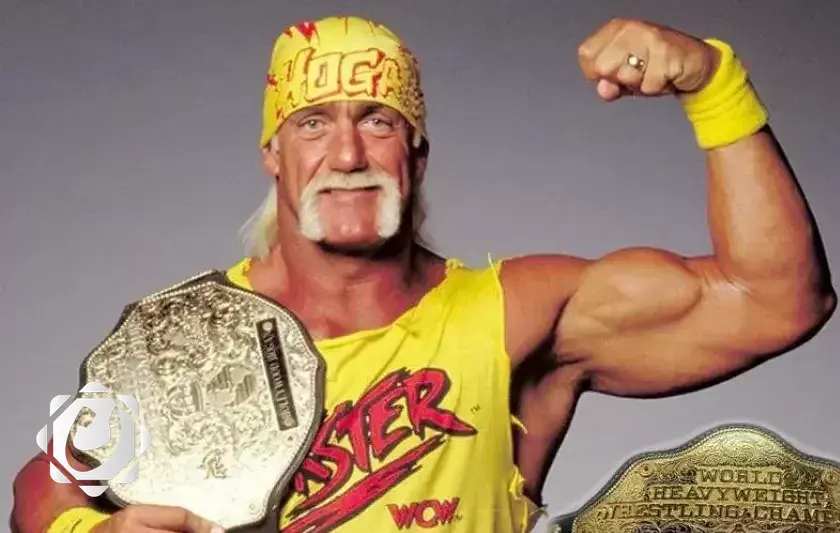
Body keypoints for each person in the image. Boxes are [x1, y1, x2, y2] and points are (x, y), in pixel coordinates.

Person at [11, 13, 836, 533]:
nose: (346, 153)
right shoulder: (189, 338)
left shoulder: (518, 315)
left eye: (377, 120)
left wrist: (714, 86)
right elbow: (41, 487)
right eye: (312, 124)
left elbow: (777, 300)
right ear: (273, 154)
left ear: (416, 152)